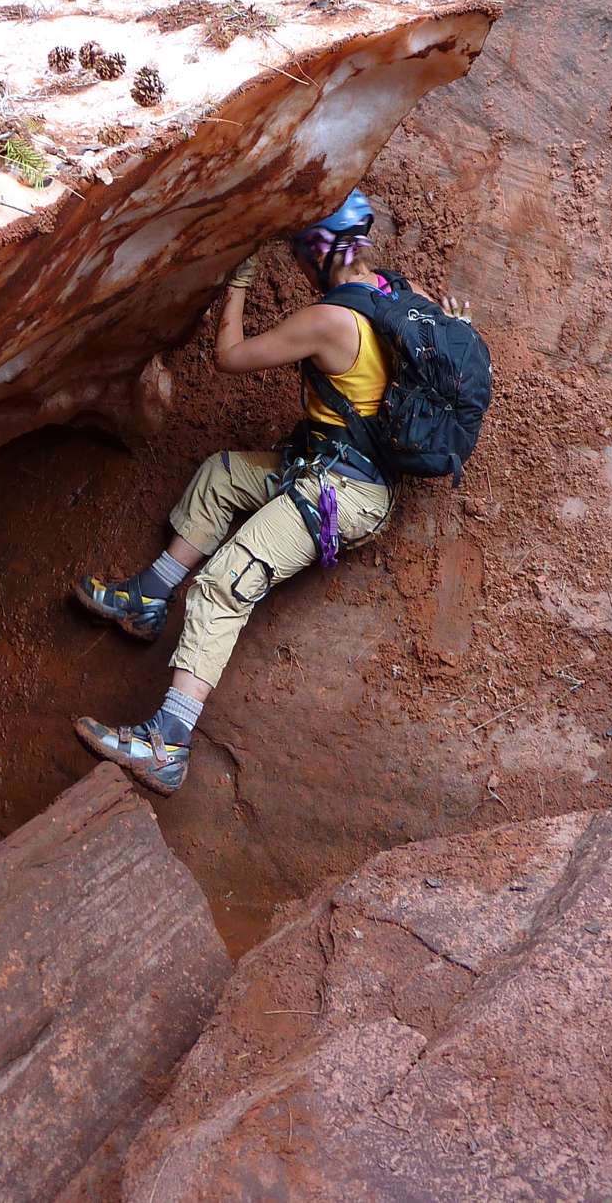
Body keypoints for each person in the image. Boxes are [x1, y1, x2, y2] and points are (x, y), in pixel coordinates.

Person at [71, 188, 469, 796]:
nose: (300, 263)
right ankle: (148, 598)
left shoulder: (330, 320)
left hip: (342, 492)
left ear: (320, 250)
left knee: (222, 585)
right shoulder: (397, 292)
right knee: (223, 475)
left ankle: (167, 744)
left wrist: (239, 280)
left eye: (302, 251)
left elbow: (230, 356)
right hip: (333, 470)